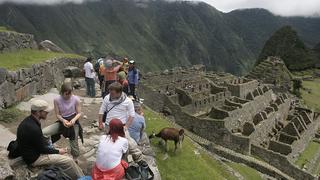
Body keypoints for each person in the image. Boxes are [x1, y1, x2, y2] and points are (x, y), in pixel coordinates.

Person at [16, 99, 84, 179]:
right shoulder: (33, 128)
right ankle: (82, 178)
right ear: (38, 112)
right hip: (35, 159)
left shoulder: (29, 121)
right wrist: (58, 151)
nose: (47, 113)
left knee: (64, 157)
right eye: (45, 112)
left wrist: (53, 149)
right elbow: (42, 149)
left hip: (32, 152)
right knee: (68, 160)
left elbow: (38, 144)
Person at [43, 83, 83, 162]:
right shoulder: (57, 100)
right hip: (62, 121)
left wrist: (74, 120)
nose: (69, 96)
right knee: (44, 132)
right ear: (62, 92)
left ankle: (75, 159)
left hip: (73, 121)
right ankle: (49, 148)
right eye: (66, 94)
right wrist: (63, 120)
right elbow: (58, 114)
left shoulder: (75, 99)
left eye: (70, 93)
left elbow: (79, 113)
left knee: (74, 141)